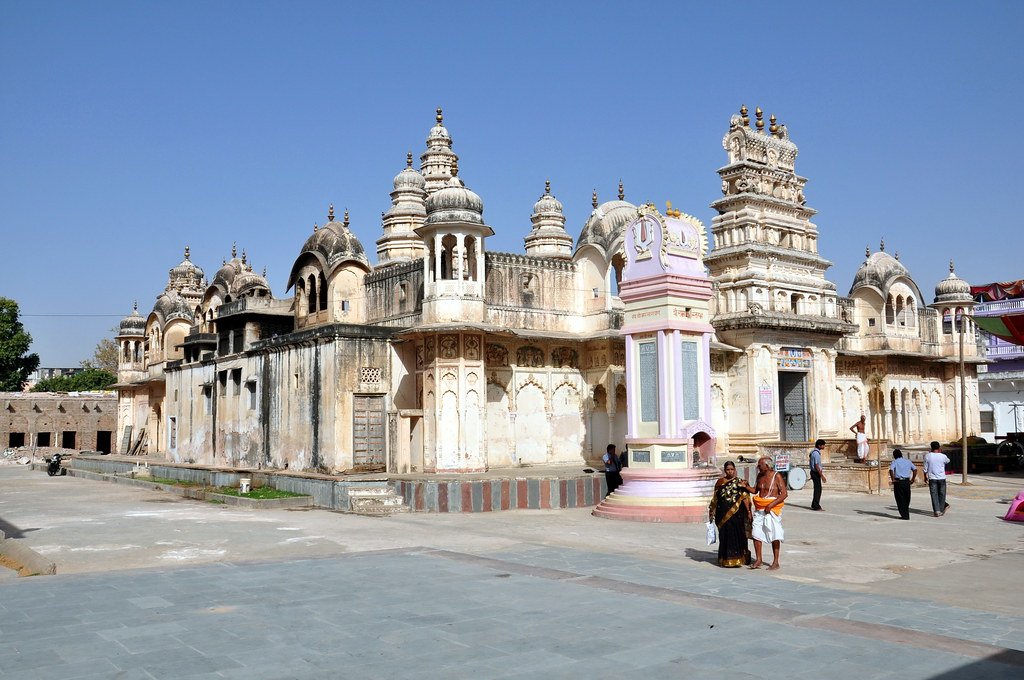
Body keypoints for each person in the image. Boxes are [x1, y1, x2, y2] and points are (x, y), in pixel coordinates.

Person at [743, 456, 787, 570]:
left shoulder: (776, 476)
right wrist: (746, 487)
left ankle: (776, 562)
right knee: (756, 534)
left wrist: (770, 505)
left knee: (774, 534)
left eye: (760, 465)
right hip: (760, 509)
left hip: (772, 509)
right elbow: (756, 490)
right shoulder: (760, 476)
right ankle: (758, 559)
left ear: (767, 466)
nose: (758, 467)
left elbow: (784, 494)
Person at [708, 461, 751, 567]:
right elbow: (715, 498)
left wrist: (749, 511)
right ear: (724, 470)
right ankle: (725, 559)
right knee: (724, 536)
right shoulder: (720, 482)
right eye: (728, 469)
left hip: (737, 514)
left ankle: (738, 559)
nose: (730, 471)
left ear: (735, 470)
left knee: (737, 535)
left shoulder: (740, 482)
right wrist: (711, 510)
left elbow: (745, 497)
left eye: (732, 469)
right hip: (722, 514)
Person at [888, 448, 918, 520]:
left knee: (900, 498)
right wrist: (913, 479)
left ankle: (904, 515)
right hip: (907, 481)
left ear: (894, 455)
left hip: (899, 482)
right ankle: (905, 512)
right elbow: (915, 469)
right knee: (907, 497)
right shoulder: (908, 461)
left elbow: (891, 470)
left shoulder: (895, 462)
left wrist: (893, 479)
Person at [923, 441, 951, 517]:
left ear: (931, 447)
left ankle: (937, 511)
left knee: (934, 494)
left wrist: (925, 477)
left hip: (932, 478)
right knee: (942, 494)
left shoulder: (927, 456)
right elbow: (948, 461)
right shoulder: (943, 456)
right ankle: (941, 509)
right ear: (939, 447)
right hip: (942, 478)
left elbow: (925, 469)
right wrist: (940, 452)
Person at [809, 439, 827, 511]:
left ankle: (814, 504)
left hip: (814, 472)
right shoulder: (816, 453)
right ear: (819, 445)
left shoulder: (813, 452)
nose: (824, 446)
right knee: (818, 490)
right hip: (816, 473)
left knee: (817, 489)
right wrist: (822, 476)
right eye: (823, 445)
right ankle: (816, 506)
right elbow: (816, 465)